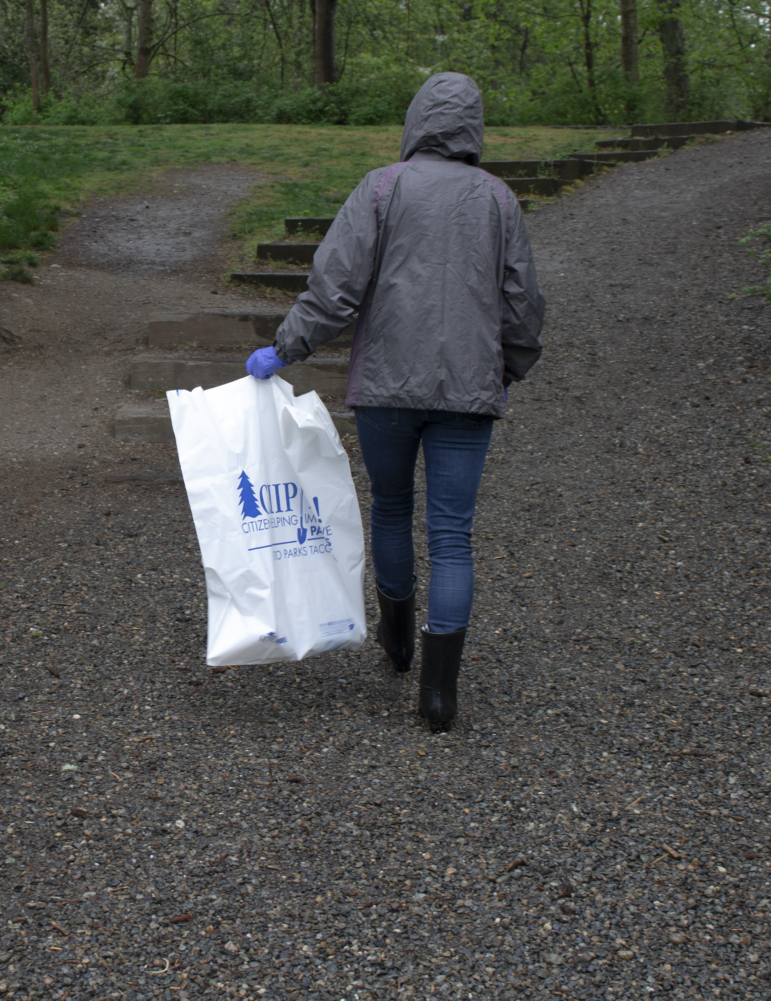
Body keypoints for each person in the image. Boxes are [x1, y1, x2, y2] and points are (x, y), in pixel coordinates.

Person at [245, 72, 545, 732]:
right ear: (473, 129)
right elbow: (521, 303)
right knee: (451, 534)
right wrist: (508, 366)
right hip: (467, 393)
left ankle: (397, 640)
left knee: (389, 504)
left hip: (384, 386)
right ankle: (438, 694)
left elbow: (335, 288)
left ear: (415, 122)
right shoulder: (498, 199)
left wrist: (284, 347)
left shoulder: (381, 187)